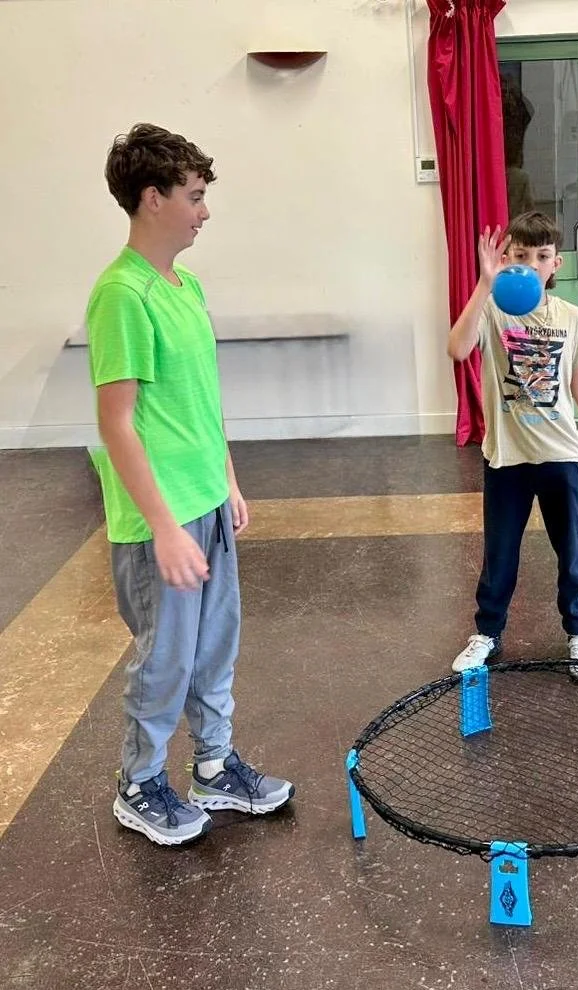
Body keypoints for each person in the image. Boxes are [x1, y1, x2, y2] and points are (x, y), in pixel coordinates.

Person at [86, 123, 294, 847]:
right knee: (166, 659)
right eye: (194, 196)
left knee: (213, 650)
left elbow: (201, 399)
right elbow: (116, 424)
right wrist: (165, 527)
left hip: (205, 499)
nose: (204, 212)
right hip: (161, 521)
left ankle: (212, 767)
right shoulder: (122, 294)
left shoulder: (186, 285)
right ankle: (139, 785)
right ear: (153, 198)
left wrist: (227, 479)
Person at [446, 212, 578, 679]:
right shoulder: (492, 310)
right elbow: (457, 349)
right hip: (508, 457)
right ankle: (487, 633)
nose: (531, 264)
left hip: (562, 454)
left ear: (555, 263)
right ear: (506, 260)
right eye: (520, 255)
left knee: (571, 550)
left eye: (541, 256)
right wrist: (484, 284)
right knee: (499, 552)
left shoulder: (570, 317)